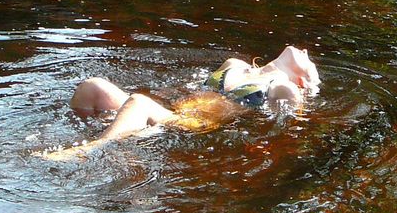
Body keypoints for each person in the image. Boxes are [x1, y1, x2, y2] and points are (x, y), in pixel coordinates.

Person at [39, 46, 320, 160]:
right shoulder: (235, 64)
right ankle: (105, 132)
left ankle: (89, 150)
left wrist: (308, 88)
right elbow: (193, 89)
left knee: (138, 101)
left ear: (301, 77)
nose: (305, 51)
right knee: (93, 87)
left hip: (194, 124)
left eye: (309, 59)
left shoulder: (281, 87)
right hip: (174, 109)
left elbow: (293, 124)